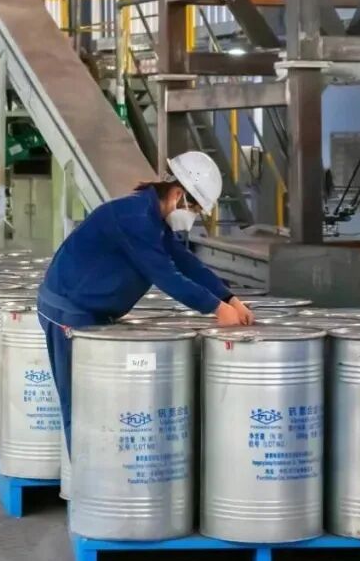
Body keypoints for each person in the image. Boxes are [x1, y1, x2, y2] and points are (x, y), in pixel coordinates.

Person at [37, 151, 255, 452]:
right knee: (83, 406)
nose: (194, 217)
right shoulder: (134, 219)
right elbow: (167, 277)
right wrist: (217, 309)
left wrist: (230, 298)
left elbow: (187, 263)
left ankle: (111, 470)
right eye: (195, 209)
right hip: (68, 311)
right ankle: (89, 479)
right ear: (177, 195)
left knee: (106, 405)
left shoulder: (152, 221)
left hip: (93, 313)